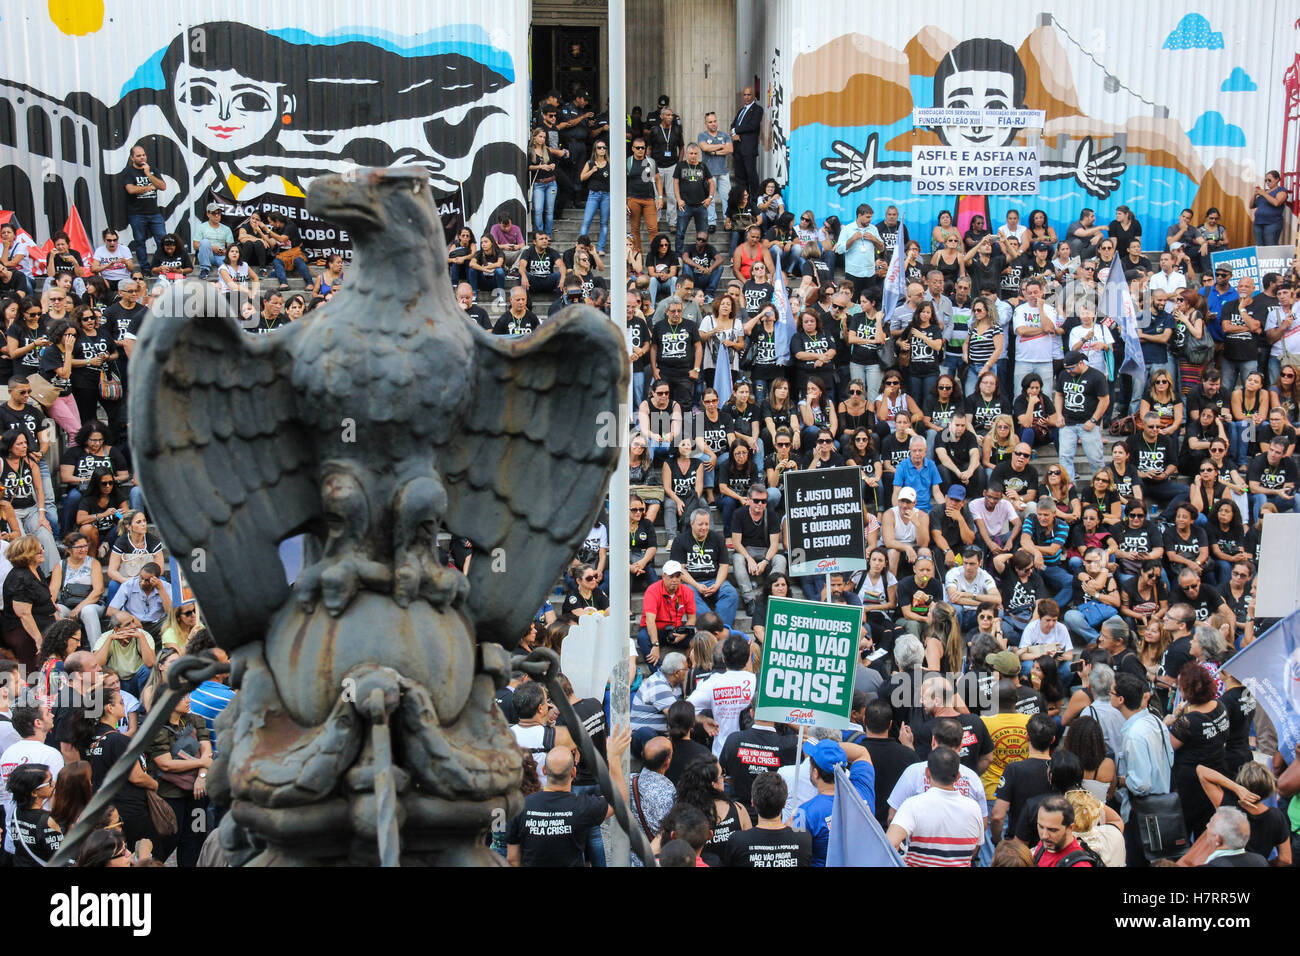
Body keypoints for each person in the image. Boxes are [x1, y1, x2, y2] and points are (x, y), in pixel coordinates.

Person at [506, 726, 630, 867]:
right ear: (573, 773)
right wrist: (614, 758)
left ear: (544, 770)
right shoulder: (582, 806)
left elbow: (512, 858)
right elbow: (618, 800)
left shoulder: (521, 806)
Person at [886, 746, 982, 867]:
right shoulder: (974, 809)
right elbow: (974, 848)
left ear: (927, 773)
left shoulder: (913, 805)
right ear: (958, 776)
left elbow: (889, 845)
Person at [794, 737, 876, 867]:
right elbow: (861, 753)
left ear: (815, 773)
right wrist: (832, 751)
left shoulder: (804, 812)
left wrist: (824, 749)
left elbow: (795, 855)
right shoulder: (862, 790)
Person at [687, 635, 755, 756]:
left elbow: (683, 710)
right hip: (751, 755)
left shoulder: (712, 683)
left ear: (723, 659)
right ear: (747, 658)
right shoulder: (757, 681)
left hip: (721, 753)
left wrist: (703, 720)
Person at [637, 563, 697, 669]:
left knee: (699, 639)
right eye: (671, 576)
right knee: (643, 637)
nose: (675, 580)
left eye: (678, 576)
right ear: (663, 576)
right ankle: (659, 673)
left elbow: (692, 618)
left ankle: (691, 670)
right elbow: (650, 621)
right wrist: (655, 644)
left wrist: (683, 633)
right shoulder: (652, 590)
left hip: (676, 630)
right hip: (656, 629)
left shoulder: (688, 591)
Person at [628, 736, 676, 864]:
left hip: (629, 858)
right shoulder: (669, 790)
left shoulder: (628, 781)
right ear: (667, 762)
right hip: (656, 859)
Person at [730, 86, 762, 195]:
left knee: (751, 175)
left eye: (749, 95)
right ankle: (742, 201)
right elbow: (733, 125)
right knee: (739, 177)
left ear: (753, 96)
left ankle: (754, 201)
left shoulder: (758, 110)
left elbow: (753, 125)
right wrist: (733, 133)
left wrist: (736, 130)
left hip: (748, 150)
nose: (747, 97)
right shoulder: (741, 110)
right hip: (738, 149)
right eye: (745, 95)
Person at [1251, 170, 1289, 247]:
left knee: (1270, 246)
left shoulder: (1281, 190)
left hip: (1272, 223)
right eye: (1266, 180)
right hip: (1258, 223)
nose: (1267, 182)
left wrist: (1264, 194)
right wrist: (1254, 195)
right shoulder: (1264, 192)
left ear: (1277, 179)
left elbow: (1276, 203)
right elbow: (1251, 206)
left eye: (1269, 180)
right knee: (1259, 246)